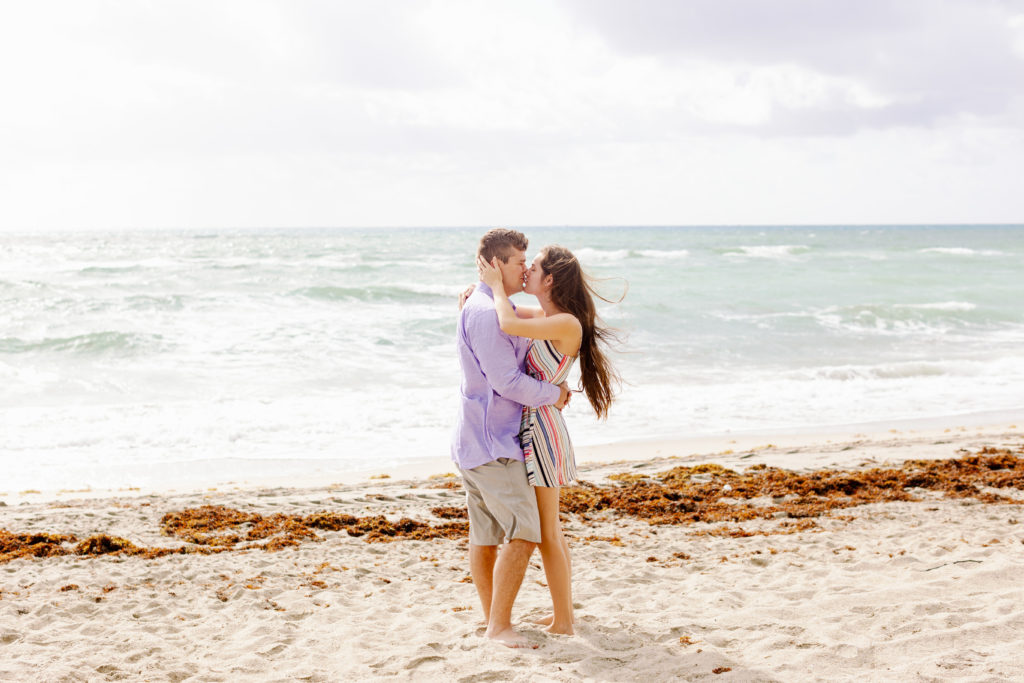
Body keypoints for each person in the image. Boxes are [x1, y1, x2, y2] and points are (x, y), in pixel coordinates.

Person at [477, 244, 620, 636]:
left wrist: (495, 285)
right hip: (536, 424)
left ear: (551, 279)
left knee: (547, 533)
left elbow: (506, 322)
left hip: (542, 430)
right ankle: (564, 616)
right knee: (549, 532)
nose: (527, 271)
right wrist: (476, 295)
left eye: (534, 267)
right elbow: (501, 314)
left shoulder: (566, 324)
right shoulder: (549, 316)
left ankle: (564, 622)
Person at [452, 228, 571, 649]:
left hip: (477, 442)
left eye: (528, 264)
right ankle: (498, 626)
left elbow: (522, 323)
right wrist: (554, 394)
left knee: (484, 538)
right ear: (498, 264)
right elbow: (506, 382)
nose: (525, 270)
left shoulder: (487, 305)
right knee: (525, 532)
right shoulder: (485, 311)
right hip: (494, 443)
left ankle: (492, 620)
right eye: (520, 262)